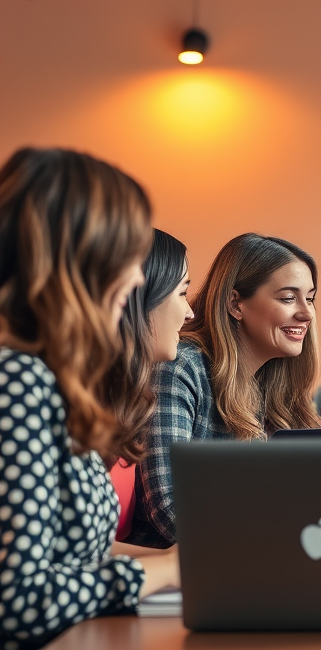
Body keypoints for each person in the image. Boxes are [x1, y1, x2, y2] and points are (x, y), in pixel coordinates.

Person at [0, 147, 179, 650]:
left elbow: (64, 558)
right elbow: (21, 599)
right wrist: (169, 570)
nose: (135, 274)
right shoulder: (18, 384)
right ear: (85, 258)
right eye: (129, 252)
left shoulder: (44, 381)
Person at [135, 232, 321, 546]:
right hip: (175, 579)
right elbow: (169, 506)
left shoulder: (271, 385)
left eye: (311, 298)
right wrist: (277, 543)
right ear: (236, 303)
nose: (306, 313)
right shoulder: (182, 365)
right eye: (289, 298)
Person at [102, 229, 194, 546]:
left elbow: (97, 551)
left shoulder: (125, 404)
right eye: (182, 293)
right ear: (141, 297)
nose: (190, 311)